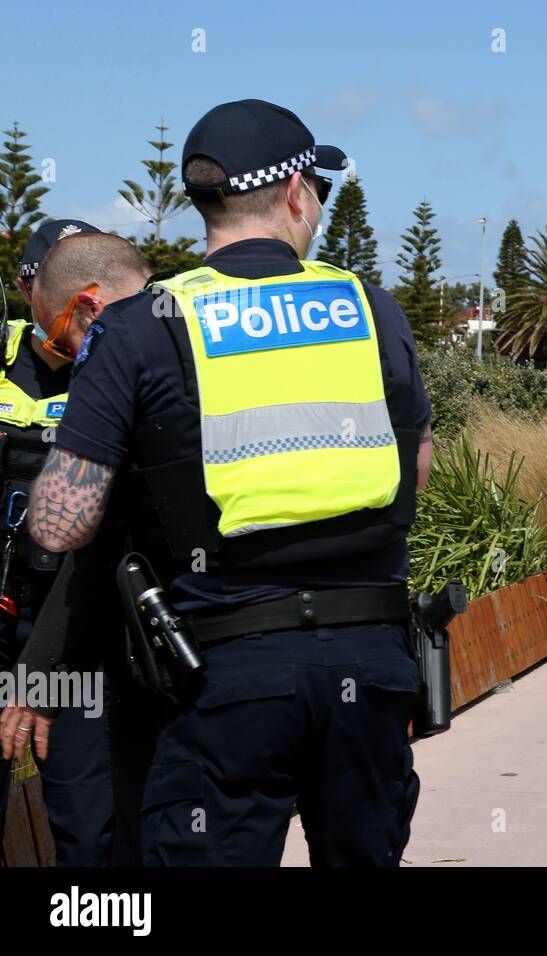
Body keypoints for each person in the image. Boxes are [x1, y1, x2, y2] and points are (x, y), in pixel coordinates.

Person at [20, 99, 432, 867]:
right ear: (297, 192)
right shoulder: (371, 309)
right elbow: (416, 469)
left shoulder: (143, 326)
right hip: (369, 664)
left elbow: (59, 526)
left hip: (226, 679)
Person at [0, 225, 149, 866]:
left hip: (76, 626)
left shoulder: (129, 365)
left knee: (90, 827)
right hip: (5, 607)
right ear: (28, 288)